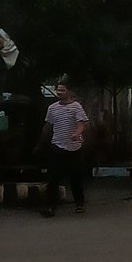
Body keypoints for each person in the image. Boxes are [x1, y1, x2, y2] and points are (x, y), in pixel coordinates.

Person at [40, 80, 89, 217]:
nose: (59, 93)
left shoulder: (76, 107)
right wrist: (41, 142)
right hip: (57, 146)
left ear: (69, 92)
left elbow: (82, 124)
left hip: (74, 148)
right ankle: (50, 206)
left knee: (76, 178)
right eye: (58, 90)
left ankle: (79, 203)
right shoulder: (52, 108)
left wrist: (77, 133)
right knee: (54, 178)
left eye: (62, 90)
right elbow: (48, 126)